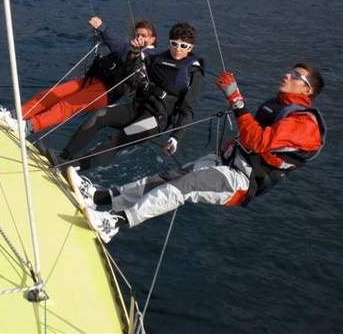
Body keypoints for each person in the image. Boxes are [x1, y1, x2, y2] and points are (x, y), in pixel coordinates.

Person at [66, 63, 326, 243]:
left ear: (307, 90)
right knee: (165, 178)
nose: (287, 75)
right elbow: (254, 134)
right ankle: (101, 198)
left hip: (241, 181)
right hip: (225, 163)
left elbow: (257, 142)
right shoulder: (280, 106)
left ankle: (114, 223)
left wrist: (236, 102)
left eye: (295, 75)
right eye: (290, 71)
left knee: (186, 185)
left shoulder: (306, 126)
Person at [60, 22, 204, 171]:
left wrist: (175, 138)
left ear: (191, 47)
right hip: (138, 107)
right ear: (170, 42)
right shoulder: (156, 58)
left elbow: (188, 109)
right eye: (174, 44)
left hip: (156, 119)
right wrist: (134, 53)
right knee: (99, 115)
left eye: (183, 46)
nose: (178, 49)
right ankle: (64, 157)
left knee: (118, 139)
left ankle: (74, 168)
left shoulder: (193, 72)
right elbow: (128, 74)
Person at [0, 16, 157, 136]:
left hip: (106, 91)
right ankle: (14, 115)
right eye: (138, 34)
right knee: (50, 94)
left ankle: (28, 128)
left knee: (65, 106)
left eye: (144, 36)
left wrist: (103, 29)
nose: (140, 38)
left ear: (152, 40)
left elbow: (121, 50)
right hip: (92, 81)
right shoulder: (130, 47)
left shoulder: (148, 56)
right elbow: (121, 47)